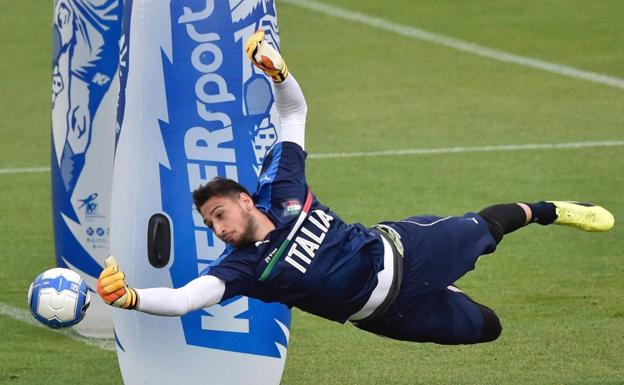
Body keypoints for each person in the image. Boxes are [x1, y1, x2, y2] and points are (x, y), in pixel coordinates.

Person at [97, 30, 615, 345]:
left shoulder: (283, 188)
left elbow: (294, 112)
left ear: (243, 199)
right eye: (209, 222)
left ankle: (554, 209)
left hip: (408, 252)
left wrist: (278, 74)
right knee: (490, 327)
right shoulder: (245, 268)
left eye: (217, 213)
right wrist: (134, 298)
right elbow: (188, 299)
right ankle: (450, 292)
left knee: (494, 224)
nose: (216, 227)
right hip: (388, 313)